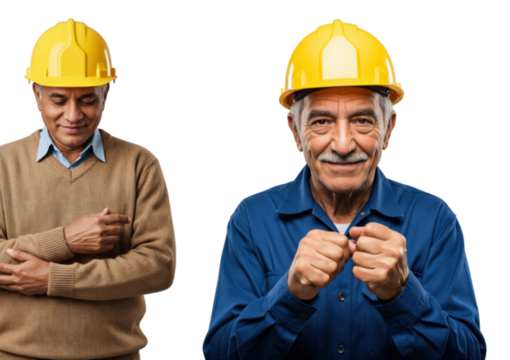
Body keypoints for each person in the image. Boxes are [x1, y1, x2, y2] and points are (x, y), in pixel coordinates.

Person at [201, 17, 486, 359]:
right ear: (295, 131)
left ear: (388, 129)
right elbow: (217, 354)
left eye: (362, 120)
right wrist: (288, 295)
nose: (342, 143)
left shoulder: (436, 220)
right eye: (321, 121)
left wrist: (404, 294)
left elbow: (471, 354)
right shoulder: (250, 219)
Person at [0, 16, 176, 360]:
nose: (73, 116)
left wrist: (53, 278)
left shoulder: (140, 164)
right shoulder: (0, 163)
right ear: (37, 94)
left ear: (106, 93)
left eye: (88, 100)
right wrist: (66, 240)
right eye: (59, 100)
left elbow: (158, 267)